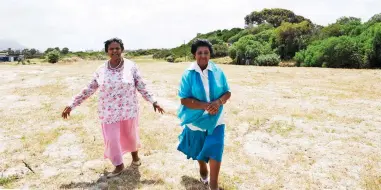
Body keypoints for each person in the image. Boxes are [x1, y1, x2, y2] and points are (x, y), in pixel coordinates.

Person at [61, 38, 165, 178]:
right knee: (112, 139)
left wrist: (154, 101)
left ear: (122, 49)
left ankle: (135, 158)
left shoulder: (131, 66)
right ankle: (118, 165)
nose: (115, 51)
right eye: (111, 49)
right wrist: (71, 104)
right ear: (107, 51)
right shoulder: (101, 70)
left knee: (131, 135)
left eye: (117, 48)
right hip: (108, 112)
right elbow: (88, 89)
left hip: (128, 110)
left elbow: (142, 86)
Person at [177, 39, 231, 190]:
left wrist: (218, 102)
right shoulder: (188, 74)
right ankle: (202, 168)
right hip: (196, 120)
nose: (203, 55)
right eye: (199, 53)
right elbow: (184, 100)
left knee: (216, 148)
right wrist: (205, 106)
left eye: (206, 53)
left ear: (210, 54)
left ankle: (213, 186)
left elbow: (227, 92)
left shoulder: (218, 71)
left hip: (216, 119)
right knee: (199, 150)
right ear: (194, 54)